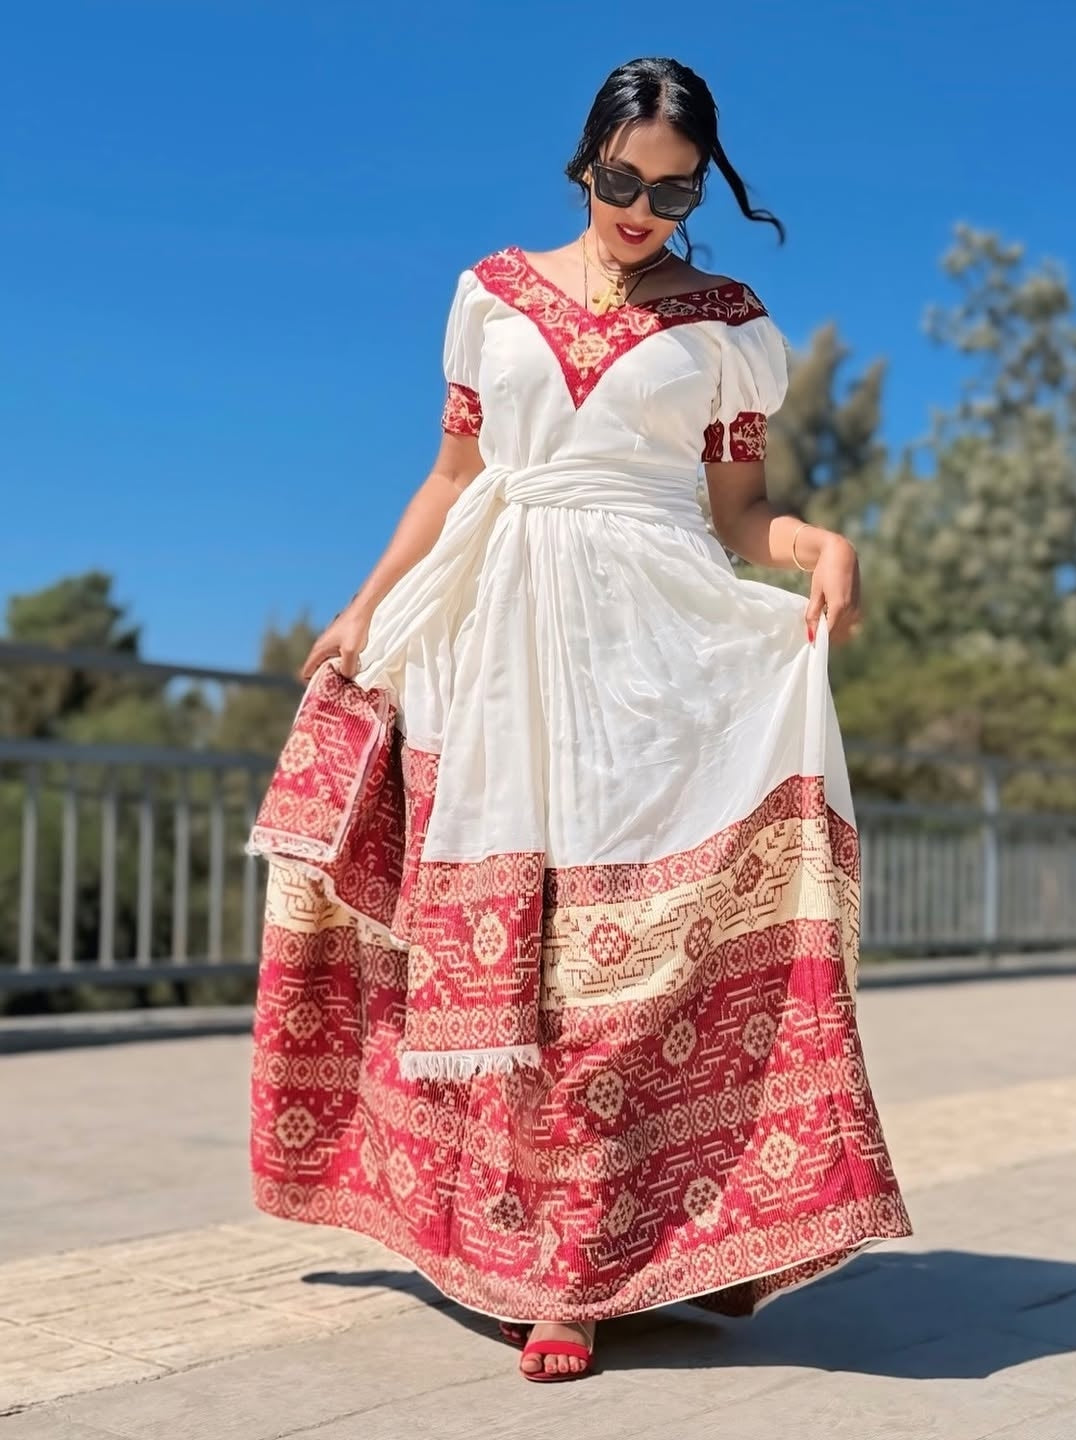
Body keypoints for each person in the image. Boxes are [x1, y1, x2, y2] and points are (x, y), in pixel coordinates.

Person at [247, 55, 913, 1384]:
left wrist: (817, 540)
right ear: (581, 163)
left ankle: (681, 1237)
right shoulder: (489, 298)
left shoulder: (723, 323)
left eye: (674, 193)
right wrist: (365, 606)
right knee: (523, 958)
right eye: (623, 181)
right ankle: (554, 1275)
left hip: (658, 643)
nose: (644, 211)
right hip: (499, 641)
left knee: (643, 952)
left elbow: (737, 519)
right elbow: (452, 475)